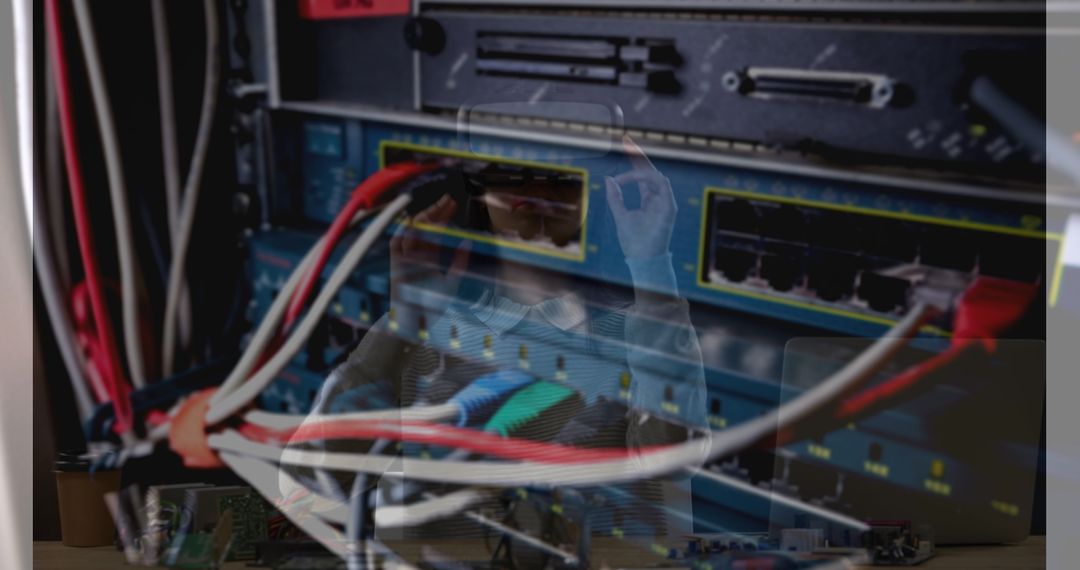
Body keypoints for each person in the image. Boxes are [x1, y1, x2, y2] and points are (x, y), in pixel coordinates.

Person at [284, 136, 709, 558]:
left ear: (596, 197)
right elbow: (310, 486)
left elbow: (668, 468)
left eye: (560, 181)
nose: (537, 193)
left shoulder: (637, 332)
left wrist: (652, 268)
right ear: (481, 194)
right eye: (514, 176)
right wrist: (403, 323)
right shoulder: (433, 328)